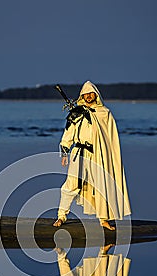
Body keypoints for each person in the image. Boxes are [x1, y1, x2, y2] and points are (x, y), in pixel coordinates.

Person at [53, 81, 131, 230]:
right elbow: (68, 133)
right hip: (78, 153)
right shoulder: (76, 113)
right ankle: (61, 216)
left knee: (101, 185)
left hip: (98, 154)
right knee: (71, 184)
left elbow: (109, 138)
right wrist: (65, 152)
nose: (88, 96)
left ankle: (103, 219)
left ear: (96, 95)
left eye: (91, 93)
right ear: (82, 95)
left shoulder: (104, 113)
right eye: (85, 94)